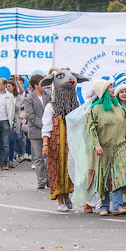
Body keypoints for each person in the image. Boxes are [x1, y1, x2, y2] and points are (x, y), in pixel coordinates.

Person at [83, 79, 126, 217]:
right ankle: (104, 206)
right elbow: (91, 128)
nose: (113, 89)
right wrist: (96, 145)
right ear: (103, 91)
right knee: (104, 178)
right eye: (110, 87)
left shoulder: (119, 108)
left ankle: (117, 206)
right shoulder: (95, 109)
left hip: (119, 147)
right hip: (103, 149)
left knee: (120, 176)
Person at [42, 69, 84, 212]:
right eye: (64, 91)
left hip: (71, 145)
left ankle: (67, 195)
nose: (67, 94)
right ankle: (60, 201)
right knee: (57, 171)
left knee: (70, 169)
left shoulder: (75, 107)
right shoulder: (51, 107)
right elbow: (46, 126)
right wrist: (45, 144)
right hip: (56, 145)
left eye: (69, 91)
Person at [23, 73, 49, 189]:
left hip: (48, 132)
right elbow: (31, 115)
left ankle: (50, 180)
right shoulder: (29, 99)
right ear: (35, 85)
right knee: (39, 157)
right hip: (36, 131)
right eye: (41, 83)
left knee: (49, 158)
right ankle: (41, 181)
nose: (44, 85)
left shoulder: (48, 97)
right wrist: (44, 125)